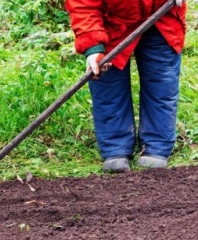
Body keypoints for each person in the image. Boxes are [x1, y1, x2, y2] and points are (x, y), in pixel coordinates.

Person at [65, 0, 187, 172]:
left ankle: (157, 146)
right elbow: (82, 4)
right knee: (108, 83)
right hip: (111, 24)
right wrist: (93, 46)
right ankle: (116, 148)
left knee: (161, 83)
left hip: (162, 17)